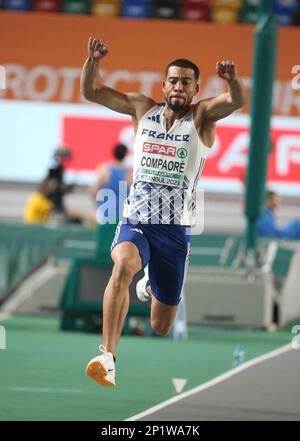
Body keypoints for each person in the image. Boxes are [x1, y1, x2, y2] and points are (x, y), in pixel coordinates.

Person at [81, 37, 246, 387]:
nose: (178, 86)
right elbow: (92, 92)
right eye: (173, 80)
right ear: (164, 84)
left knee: (161, 325)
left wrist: (230, 79)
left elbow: (236, 101)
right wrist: (92, 60)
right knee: (122, 265)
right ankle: (107, 356)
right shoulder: (143, 109)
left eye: (186, 82)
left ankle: (151, 285)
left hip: (174, 231)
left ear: (195, 88)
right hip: (137, 220)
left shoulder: (201, 117)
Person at [89, 143, 132, 224]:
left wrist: (98, 205)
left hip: (105, 213)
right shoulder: (129, 172)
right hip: (123, 215)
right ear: (125, 155)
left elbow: (93, 190)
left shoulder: (104, 169)